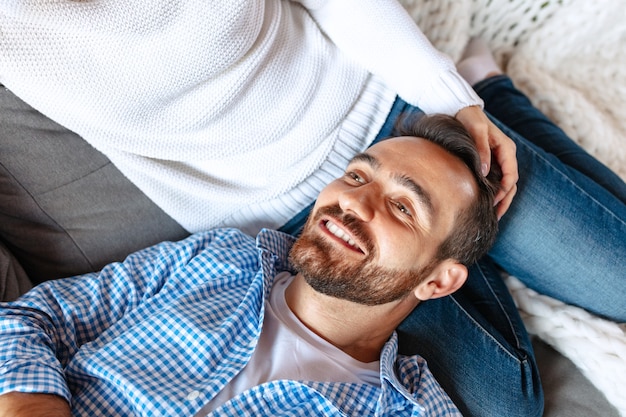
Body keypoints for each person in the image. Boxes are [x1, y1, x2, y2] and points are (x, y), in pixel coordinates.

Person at [0, 1, 625, 414]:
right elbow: (34, 321)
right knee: (502, 405)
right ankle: (453, 224)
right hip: (282, 217)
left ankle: (485, 110)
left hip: (385, 116)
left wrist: (451, 98)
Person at [0, 114, 501, 416]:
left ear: (439, 280)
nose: (355, 203)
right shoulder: (215, 258)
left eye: (401, 207)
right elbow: (28, 318)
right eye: (356, 176)